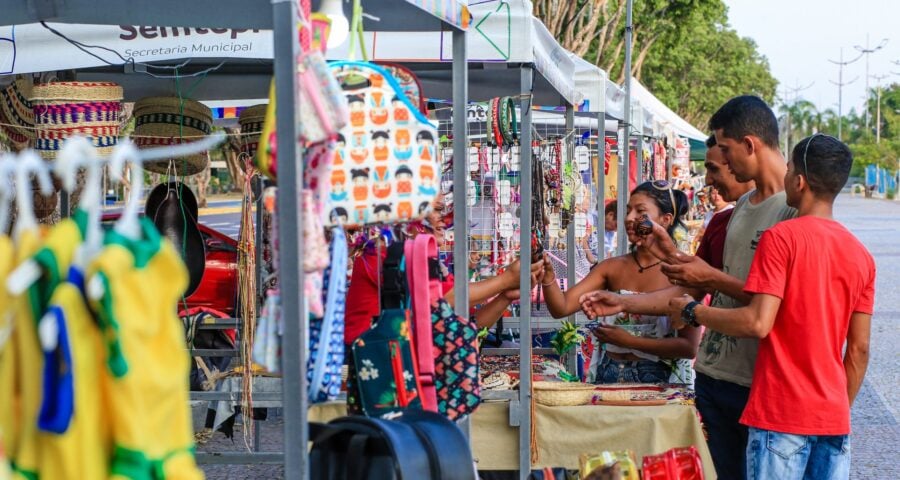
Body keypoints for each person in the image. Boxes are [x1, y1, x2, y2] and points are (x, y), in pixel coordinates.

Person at [579, 95, 796, 480]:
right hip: (715, 377)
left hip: (760, 384)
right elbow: (691, 289)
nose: (720, 169)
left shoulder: (793, 213)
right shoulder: (738, 211)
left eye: (725, 153)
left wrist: (703, 281)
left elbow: (777, 305)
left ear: (750, 144)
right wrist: (627, 301)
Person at [668, 135, 873, 480]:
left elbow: (758, 322)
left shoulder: (781, 237)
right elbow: (859, 350)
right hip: (834, 421)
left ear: (799, 181)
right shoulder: (860, 255)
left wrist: (692, 312)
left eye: (790, 167)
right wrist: (833, 412)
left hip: (781, 415)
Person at [540, 181, 701, 384]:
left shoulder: (682, 272)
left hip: (660, 379)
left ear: (666, 219)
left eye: (640, 211)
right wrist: (548, 276)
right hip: (609, 373)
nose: (629, 218)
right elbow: (561, 308)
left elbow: (688, 347)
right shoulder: (611, 267)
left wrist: (630, 342)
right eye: (628, 210)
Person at [695, 135, 755, 270]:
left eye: (714, 169)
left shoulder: (785, 215)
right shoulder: (719, 222)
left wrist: (712, 278)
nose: (708, 180)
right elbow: (695, 279)